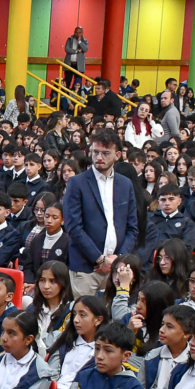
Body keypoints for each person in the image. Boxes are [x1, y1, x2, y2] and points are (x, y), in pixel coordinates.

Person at [62, 128, 138, 298]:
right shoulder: (77, 183)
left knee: (114, 319)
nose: (99, 157)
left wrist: (117, 260)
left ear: (117, 155)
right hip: (85, 268)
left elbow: (132, 228)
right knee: (83, 319)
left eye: (105, 153)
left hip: (117, 269)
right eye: (95, 152)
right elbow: (73, 228)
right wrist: (100, 259)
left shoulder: (125, 184)